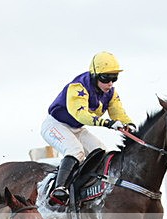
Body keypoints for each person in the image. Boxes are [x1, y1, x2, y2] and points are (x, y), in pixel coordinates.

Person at [41, 51, 136, 206]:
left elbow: (118, 112)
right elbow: (81, 115)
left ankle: (84, 190)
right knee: (75, 151)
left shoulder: (111, 93)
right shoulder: (78, 87)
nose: (110, 83)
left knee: (101, 152)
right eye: (106, 78)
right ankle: (59, 189)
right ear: (94, 75)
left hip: (77, 129)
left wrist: (129, 124)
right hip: (55, 125)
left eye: (114, 78)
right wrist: (106, 123)